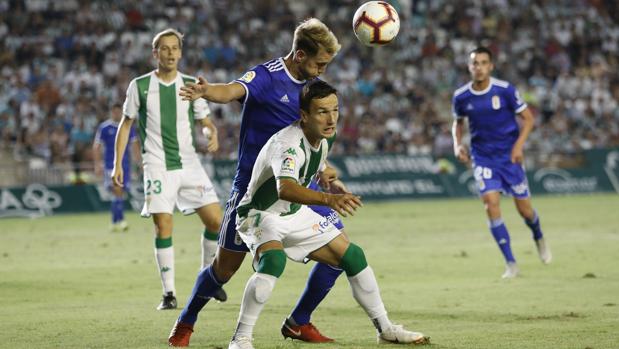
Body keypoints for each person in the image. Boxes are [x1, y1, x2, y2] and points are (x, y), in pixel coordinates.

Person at [168, 18, 349, 346]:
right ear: (299, 54)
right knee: (223, 271)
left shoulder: (310, 89)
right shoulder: (267, 77)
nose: (323, 70)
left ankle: (299, 321)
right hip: (254, 194)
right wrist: (207, 91)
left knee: (343, 253)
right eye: (319, 63)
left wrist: (324, 168)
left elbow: (304, 140)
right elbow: (232, 90)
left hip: (297, 192)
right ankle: (186, 320)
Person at [229, 81, 429, 348]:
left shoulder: (326, 134)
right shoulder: (286, 144)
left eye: (335, 110)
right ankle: (241, 338)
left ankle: (385, 329)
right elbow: (285, 188)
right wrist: (329, 199)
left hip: (294, 214)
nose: (331, 118)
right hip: (259, 214)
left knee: (353, 256)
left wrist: (326, 177)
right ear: (304, 115)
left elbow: (316, 160)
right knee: (274, 261)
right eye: (322, 111)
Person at [112, 28, 226, 310]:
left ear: (181, 52)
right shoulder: (139, 86)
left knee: (216, 222)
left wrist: (212, 133)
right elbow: (125, 125)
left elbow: (205, 121)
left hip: (189, 163)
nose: (171, 53)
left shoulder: (190, 84)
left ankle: (207, 281)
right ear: (155, 53)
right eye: (165, 48)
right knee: (163, 225)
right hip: (157, 165)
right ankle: (169, 293)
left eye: (175, 48)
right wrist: (117, 164)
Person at [451, 46, 552, 278]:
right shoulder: (461, 96)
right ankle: (511, 264)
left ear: (491, 66)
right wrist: (457, 144)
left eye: (483, 63)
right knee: (490, 203)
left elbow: (528, 119)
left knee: (525, 211)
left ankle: (538, 234)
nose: (479, 67)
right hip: (483, 157)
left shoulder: (505, 90)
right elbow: (457, 123)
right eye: (475, 63)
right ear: (469, 67)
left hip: (509, 158)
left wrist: (518, 146)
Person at [93, 103, 139, 232]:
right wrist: (98, 164)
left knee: (120, 193)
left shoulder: (128, 126)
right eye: (115, 112)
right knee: (117, 191)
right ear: (111, 112)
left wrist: (138, 162)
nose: (117, 114)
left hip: (126, 165)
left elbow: (134, 145)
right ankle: (122, 221)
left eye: (119, 112)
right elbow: (96, 146)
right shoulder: (104, 127)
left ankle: (114, 222)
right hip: (110, 165)